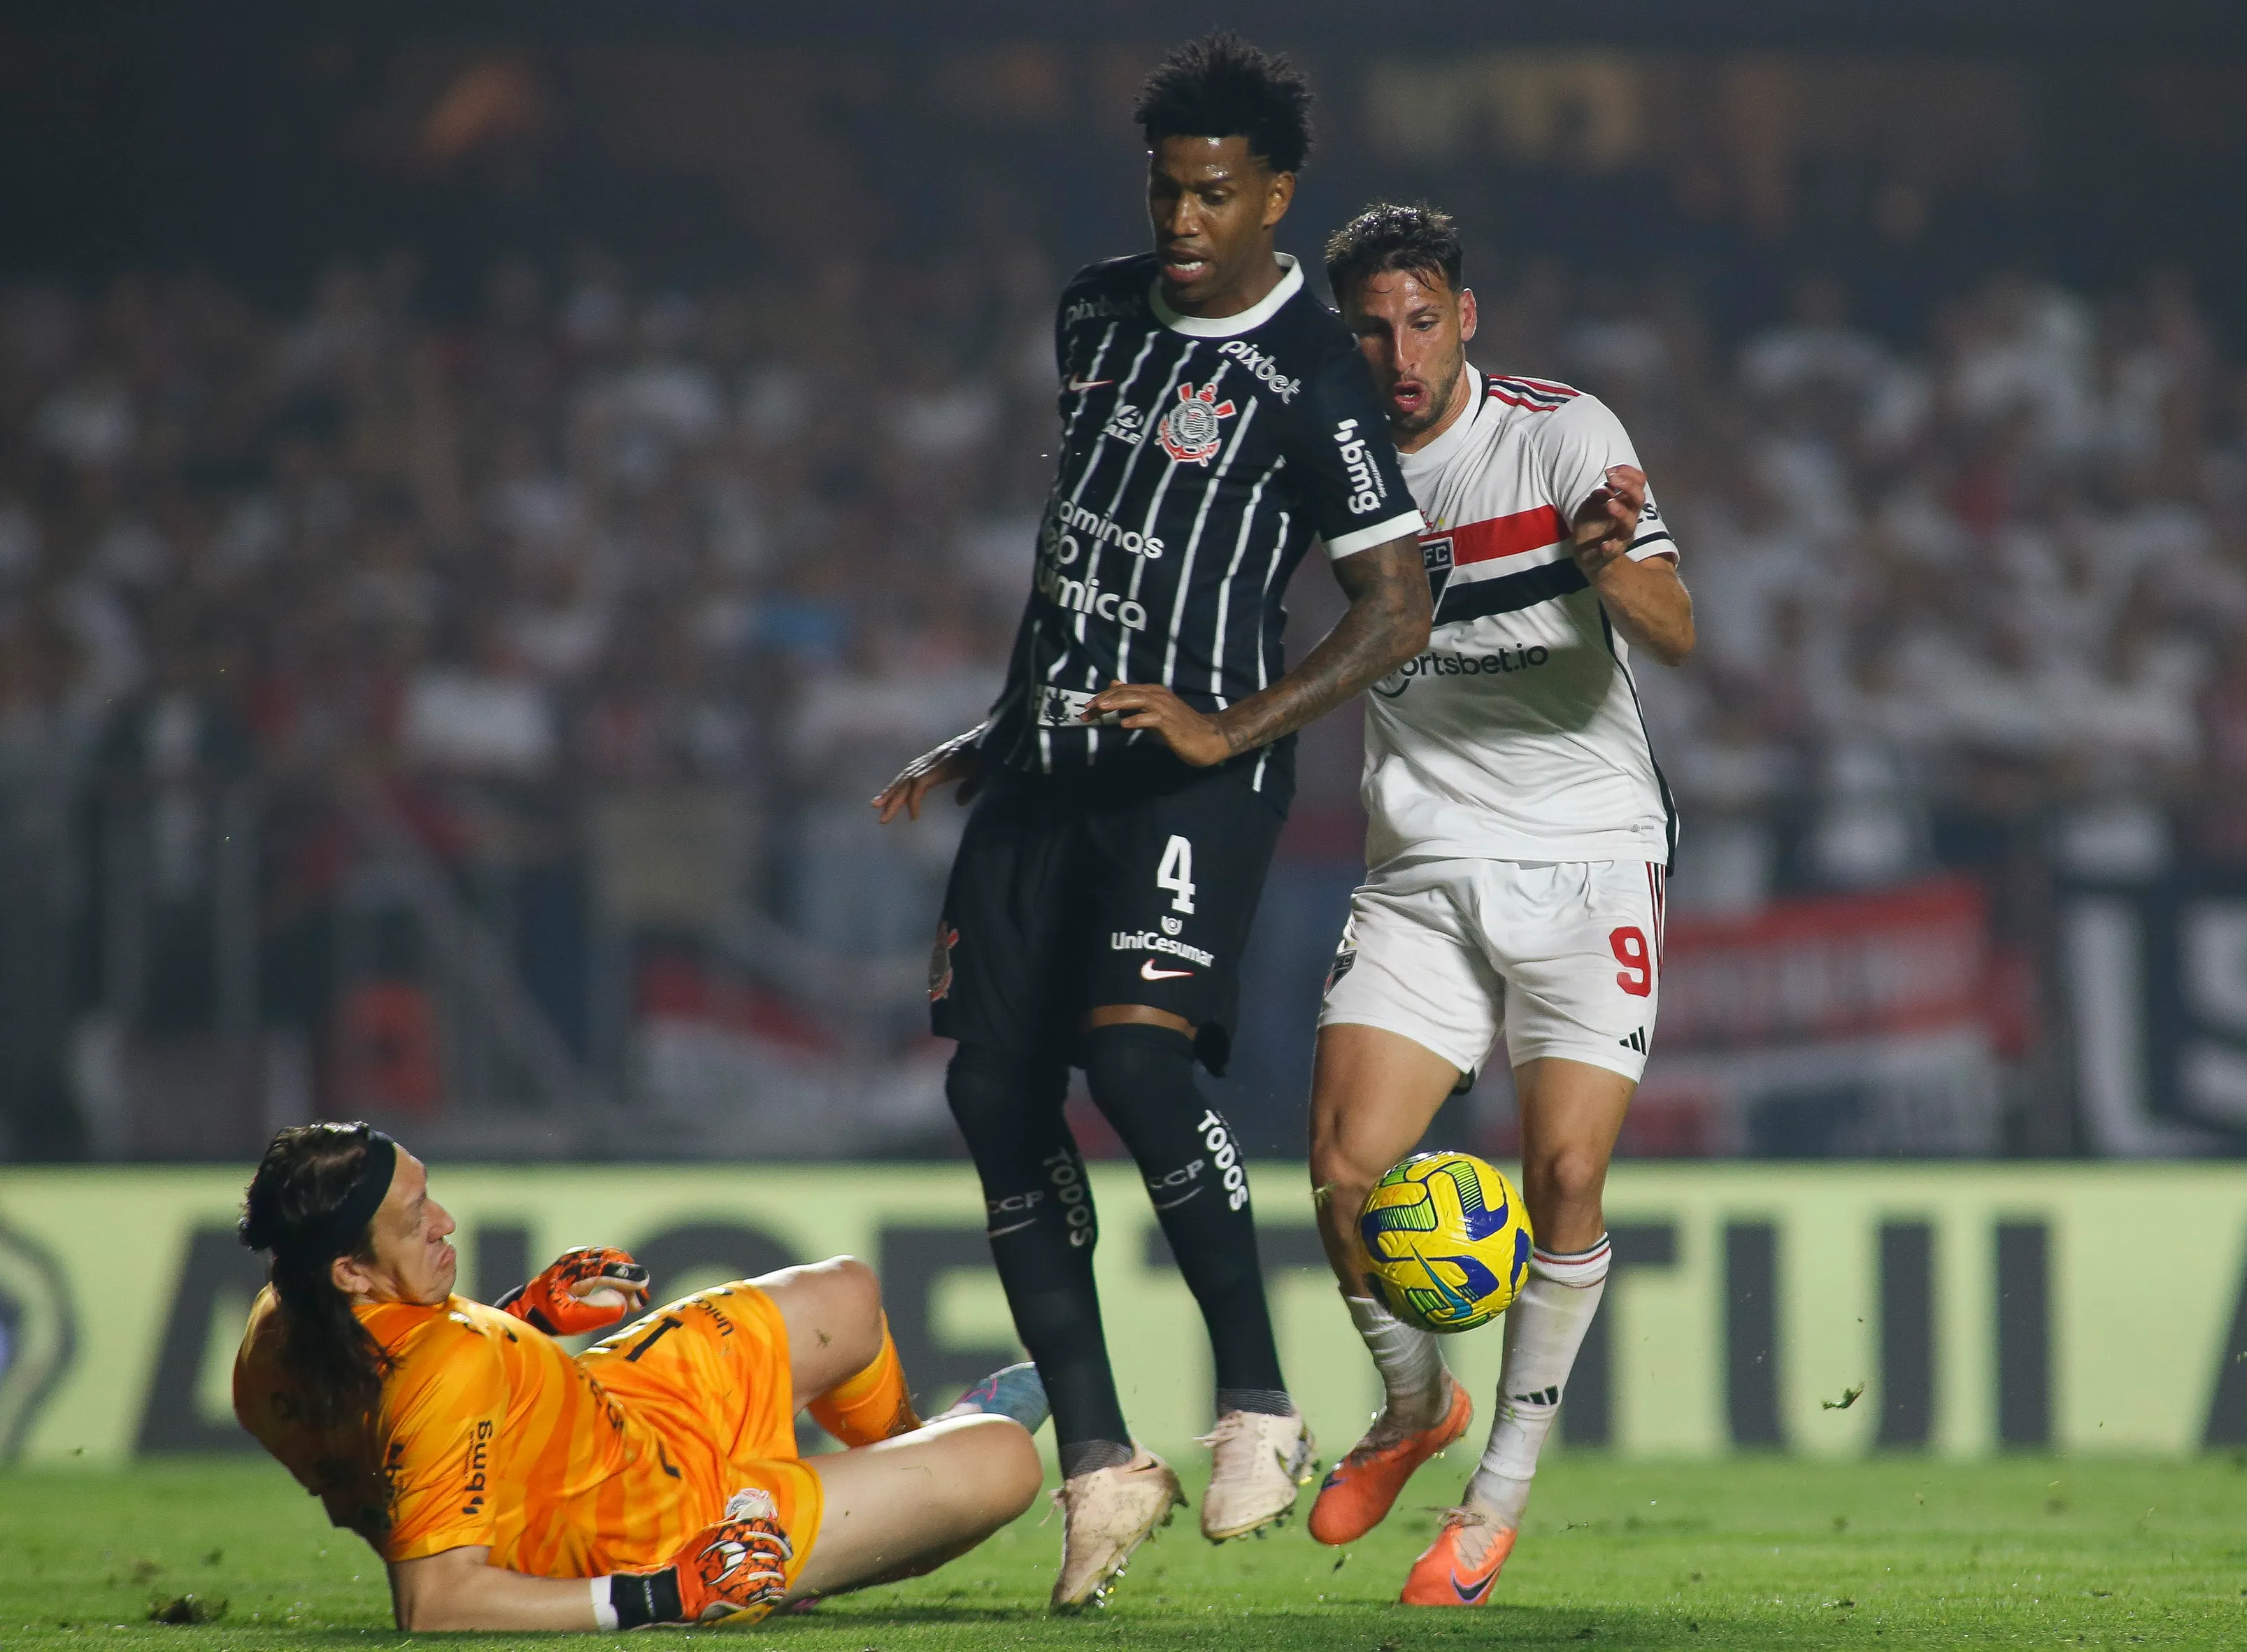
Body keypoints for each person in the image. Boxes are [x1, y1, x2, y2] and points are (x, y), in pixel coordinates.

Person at [871, 36, 1429, 1612]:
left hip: (1195, 771)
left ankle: (1257, 1395)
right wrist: (996, 720)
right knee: (993, 1086)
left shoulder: (1315, 368)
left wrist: (1228, 722)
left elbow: (1395, 604)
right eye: (1164, 189)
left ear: (1275, 197)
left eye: (1211, 193)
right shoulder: (1096, 309)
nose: (1182, 220)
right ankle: (1103, 1457)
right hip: (1046, 764)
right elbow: (1082, 547)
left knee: (1130, 1054)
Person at [1302, 203, 1696, 1607]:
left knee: (1566, 1183)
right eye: (1370, 328)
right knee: (1345, 1173)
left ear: (1465, 317)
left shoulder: (1561, 432)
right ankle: (1414, 1406)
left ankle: (1494, 1503)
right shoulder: (1328, 460)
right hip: (1417, 865)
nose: (1397, 351)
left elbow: (1675, 627)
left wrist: (1605, 565)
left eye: (1421, 321)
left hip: (1588, 855)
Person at [230, 1122, 1047, 1631]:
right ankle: (878, 1513)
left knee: (850, 1293)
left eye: (428, 1194)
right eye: (415, 1219)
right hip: (660, 1530)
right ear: (348, 1271)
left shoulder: (278, 1330)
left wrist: (526, 1318)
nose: (444, 1222)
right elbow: (436, 1604)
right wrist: (662, 1595)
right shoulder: (437, 1372)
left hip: (625, 1410)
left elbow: (414, 1416)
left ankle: (904, 1474)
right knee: (1006, 1459)